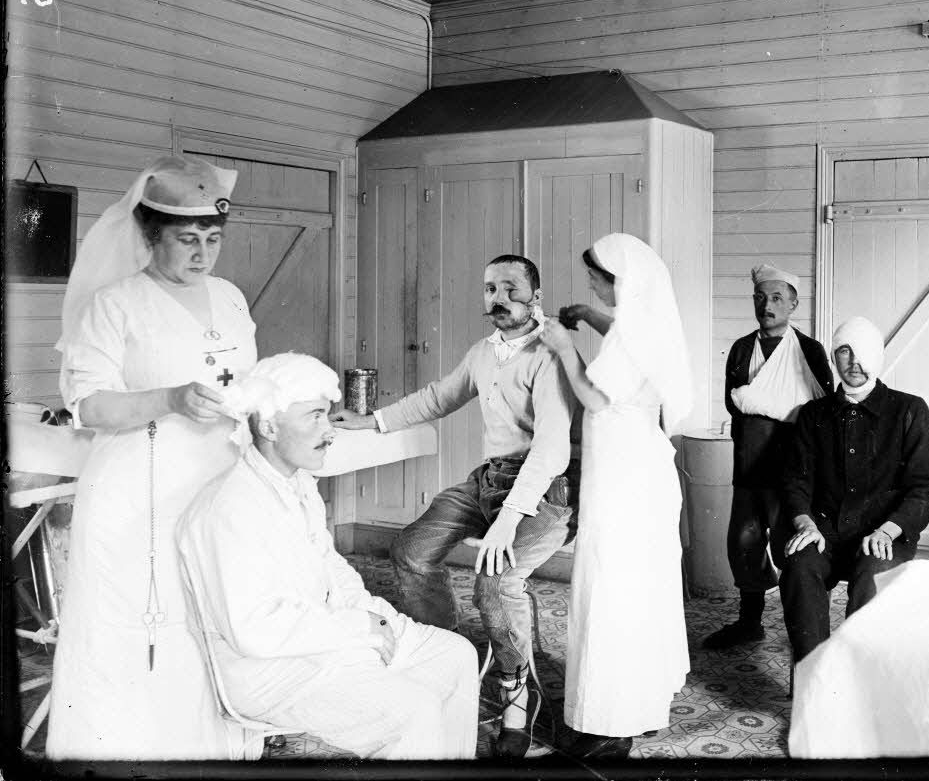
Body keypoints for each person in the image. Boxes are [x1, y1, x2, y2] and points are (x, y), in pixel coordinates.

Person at [47, 155, 256, 759]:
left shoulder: (231, 297)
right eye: (186, 239)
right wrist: (167, 398)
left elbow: (240, 377)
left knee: (209, 620)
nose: (202, 254)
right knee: (144, 630)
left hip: (216, 487)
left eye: (212, 239)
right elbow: (86, 405)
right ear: (148, 236)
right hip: (139, 494)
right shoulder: (115, 304)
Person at [331, 254, 578, 759]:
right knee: (411, 550)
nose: (499, 300)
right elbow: (438, 397)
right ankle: (450, 661)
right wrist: (371, 421)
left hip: (544, 489)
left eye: (511, 289)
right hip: (489, 481)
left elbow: (552, 449)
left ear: (536, 294)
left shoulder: (550, 354)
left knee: (496, 581)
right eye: (490, 289)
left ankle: (516, 693)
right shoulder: (483, 353)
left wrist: (509, 520)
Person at [177, 353, 479, 759]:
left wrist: (375, 618)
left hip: (324, 636)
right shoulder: (230, 507)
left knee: (456, 656)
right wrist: (359, 629)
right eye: (314, 416)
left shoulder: (298, 481)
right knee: (412, 711)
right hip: (269, 670)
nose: (329, 430)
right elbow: (255, 631)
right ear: (268, 425)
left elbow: (331, 565)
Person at [540, 233, 691, 759]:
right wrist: (590, 313)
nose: (590, 284)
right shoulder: (646, 323)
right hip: (639, 470)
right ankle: (638, 701)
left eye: (596, 279)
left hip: (623, 478)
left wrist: (563, 347)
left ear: (621, 281)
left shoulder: (631, 336)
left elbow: (593, 396)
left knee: (611, 585)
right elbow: (626, 338)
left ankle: (611, 718)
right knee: (635, 586)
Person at [776, 316, 929, 664]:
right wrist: (805, 524)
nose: (853, 363)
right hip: (823, 532)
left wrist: (888, 530)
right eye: (844, 352)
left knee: (875, 574)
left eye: (861, 353)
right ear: (834, 358)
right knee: (799, 567)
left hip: (881, 533)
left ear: (877, 357)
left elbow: (924, 487)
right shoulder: (812, 414)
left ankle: (856, 681)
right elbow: (795, 481)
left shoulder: (908, 410)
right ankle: (813, 678)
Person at [702, 264, 832, 650]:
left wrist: (761, 404)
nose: (767, 305)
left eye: (776, 298)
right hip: (751, 464)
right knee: (745, 543)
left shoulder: (809, 350)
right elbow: (734, 402)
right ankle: (749, 622)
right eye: (760, 297)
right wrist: (770, 407)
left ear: (793, 303)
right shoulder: (743, 348)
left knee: (791, 546)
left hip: (793, 470)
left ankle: (803, 625)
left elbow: (818, 411)